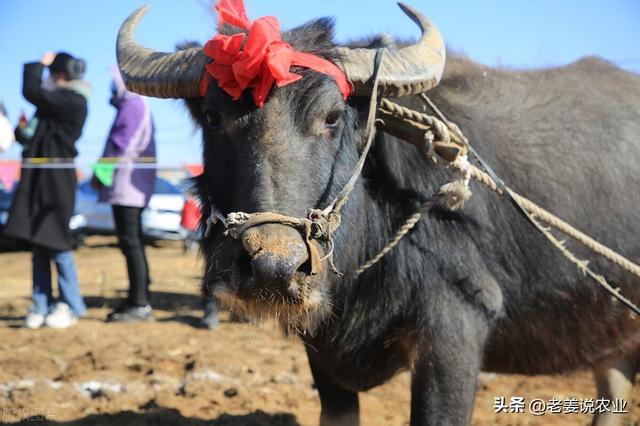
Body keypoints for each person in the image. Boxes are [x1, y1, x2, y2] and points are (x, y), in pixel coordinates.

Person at [4, 52, 90, 329]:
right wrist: (21, 131)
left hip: (57, 183)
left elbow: (31, 90)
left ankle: (70, 304)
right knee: (38, 245)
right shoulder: (54, 105)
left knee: (58, 244)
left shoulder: (73, 101)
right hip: (36, 181)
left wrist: (38, 64)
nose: (48, 79)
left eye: (51, 73)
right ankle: (41, 304)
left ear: (60, 75)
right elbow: (32, 135)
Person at [95, 69, 156, 322]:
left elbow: (119, 143)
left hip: (127, 187)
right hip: (133, 187)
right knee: (133, 243)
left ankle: (140, 303)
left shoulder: (132, 103)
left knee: (131, 244)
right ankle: (136, 297)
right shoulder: (139, 103)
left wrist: (100, 173)